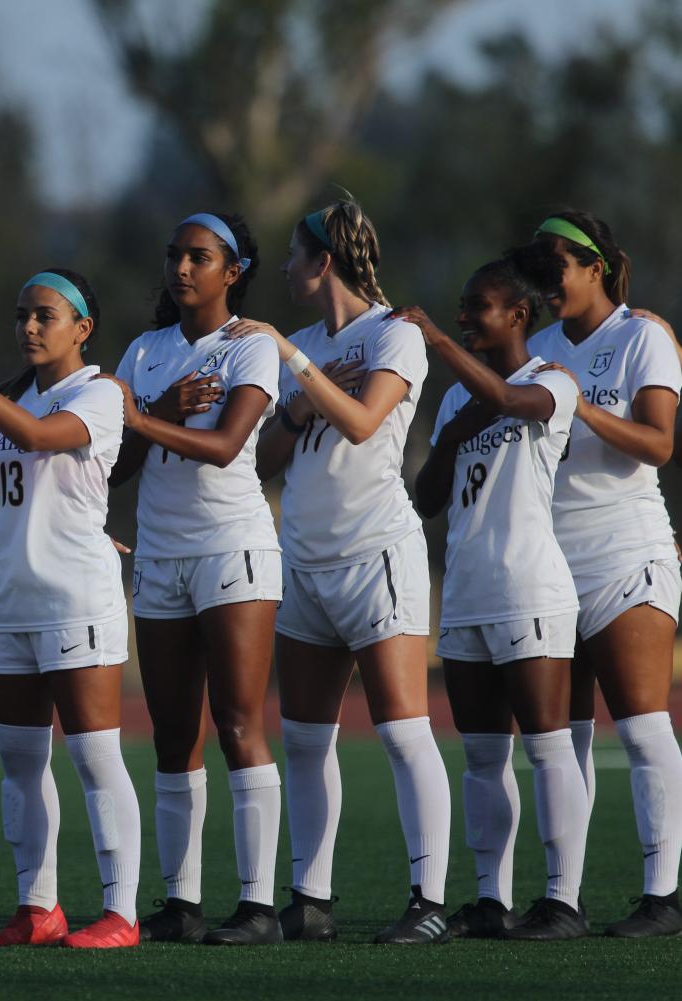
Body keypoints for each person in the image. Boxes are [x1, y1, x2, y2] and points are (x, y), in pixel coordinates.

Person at [226, 199, 452, 944]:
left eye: (294, 255)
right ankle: (310, 898)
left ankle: (427, 902)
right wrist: (296, 398)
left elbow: (361, 424)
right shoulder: (300, 341)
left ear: (323, 260)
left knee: (401, 729)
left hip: (375, 553)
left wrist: (297, 369)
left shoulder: (395, 335)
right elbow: (263, 458)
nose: (285, 269)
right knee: (302, 736)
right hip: (306, 560)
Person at [0, 268, 143, 950]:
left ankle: (121, 912)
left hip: (75, 598)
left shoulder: (99, 392)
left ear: (83, 328)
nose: (29, 326)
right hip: (8, 599)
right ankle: (37, 905)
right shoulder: (12, 399)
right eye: (22, 315)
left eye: (45, 314)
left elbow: (46, 441)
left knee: (95, 756)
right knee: (18, 762)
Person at [108, 212, 285, 946]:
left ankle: (257, 906)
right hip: (159, 555)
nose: (181, 267)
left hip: (230, 550)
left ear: (231, 271)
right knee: (172, 733)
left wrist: (146, 419)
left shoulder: (251, 346)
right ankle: (180, 902)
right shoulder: (143, 350)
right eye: (174, 253)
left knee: (239, 724)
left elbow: (223, 445)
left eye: (199, 256)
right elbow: (114, 465)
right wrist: (146, 413)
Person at [404, 259, 589, 940]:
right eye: (456, 308)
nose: (460, 318)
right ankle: (490, 899)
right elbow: (425, 498)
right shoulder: (456, 399)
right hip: (465, 594)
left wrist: (434, 341)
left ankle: (563, 901)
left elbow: (511, 403)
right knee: (482, 756)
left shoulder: (552, 381)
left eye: (474, 306)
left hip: (529, 586)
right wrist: (452, 431)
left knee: (545, 746)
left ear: (517, 314)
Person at [518, 211, 682, 937]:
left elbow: (656, 443)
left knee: (643, 727)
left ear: (595, 266)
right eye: (537, 261)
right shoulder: (538, 347)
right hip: (550, 562)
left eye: (556, 260)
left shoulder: (641, 336)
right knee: (563, 737)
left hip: (625, 551)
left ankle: (662, 895)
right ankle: (562, 897)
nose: (545, 273)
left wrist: (575, 401)